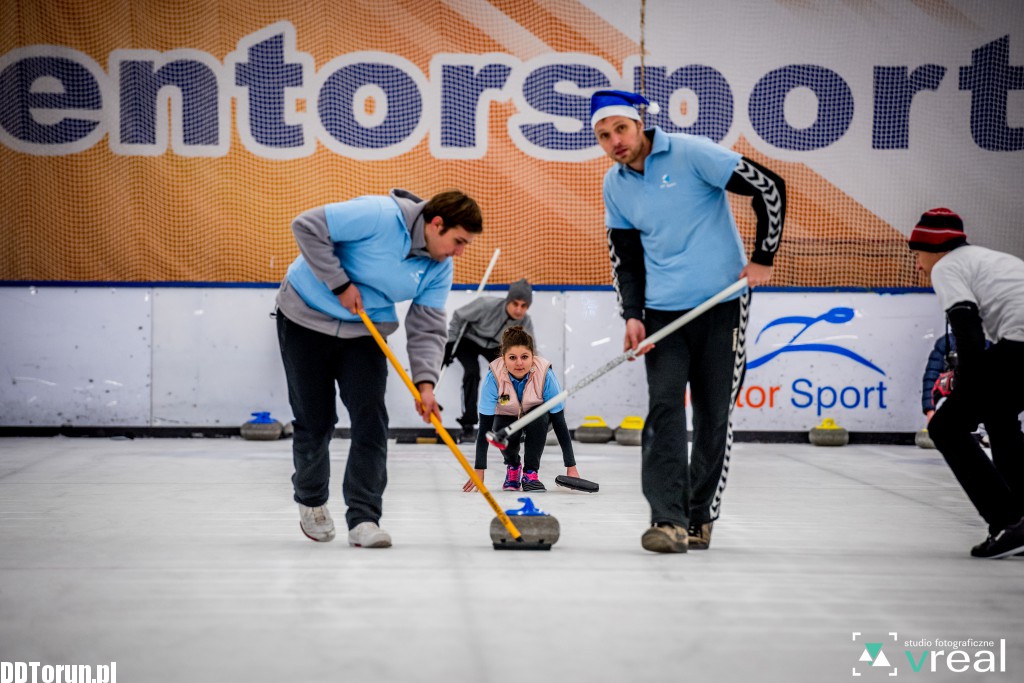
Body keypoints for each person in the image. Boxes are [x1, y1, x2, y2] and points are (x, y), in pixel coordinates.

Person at [591, 89, 786, 553]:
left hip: (722, 307)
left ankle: (700, 516)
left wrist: (763, 256)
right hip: (662, 314)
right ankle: (668, 519)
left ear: (639, 124)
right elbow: (627, 259)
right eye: (603, 136)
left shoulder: (691, 152)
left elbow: (769, 187)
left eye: (620, 129)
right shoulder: (615, 185)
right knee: (663, 409)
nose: (614, 141)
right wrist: (632, 316)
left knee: (714, 413)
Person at [275, 189, 481, 548]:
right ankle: (311, 500)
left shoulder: (438, 267)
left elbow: (427, 326)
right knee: (315, 419)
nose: (459, 252)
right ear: (436, 224)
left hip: (364, 329)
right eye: (458, 241)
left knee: (371, 420)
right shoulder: (380, 215)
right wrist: (339, 284)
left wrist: (426, 385)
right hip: (304, 318)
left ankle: (364, 518)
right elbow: (306, 225)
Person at [908, 207, 1024, 559]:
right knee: (1000, 419)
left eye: (917, 255)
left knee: (945, 427)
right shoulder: (990, 259)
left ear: (934, 249)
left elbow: (967, 332)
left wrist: (963, 385)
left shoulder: (948, 266)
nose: (918, 264)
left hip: (1019, 343)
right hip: (1016, 342)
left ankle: (1006, 520)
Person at [461, 326, 582, 494]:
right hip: (506, 418)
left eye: (525, 357)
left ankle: (530, 473)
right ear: (503, 358)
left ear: (533, 356)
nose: (519, 363)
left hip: (537, 419)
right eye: (512, 357)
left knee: (541, 415)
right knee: (500, 432)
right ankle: (513, 466)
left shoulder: (545, 374)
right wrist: (479, 470)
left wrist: (571, 467)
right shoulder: (493, 378)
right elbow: (484, 430)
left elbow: (559, 422)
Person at [443, 279, 535, 440]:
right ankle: (468, 424)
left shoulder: (525, 321)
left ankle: (506, 422)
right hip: (469, 340)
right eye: (515, 304)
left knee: (506, 376)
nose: (519, 310)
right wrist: (451, 343)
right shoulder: (486, 305)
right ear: (508, 300)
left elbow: (529, 348)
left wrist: (534, 368)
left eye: (524, 306)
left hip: (495, 346)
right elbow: (458, 315)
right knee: (472, 372)